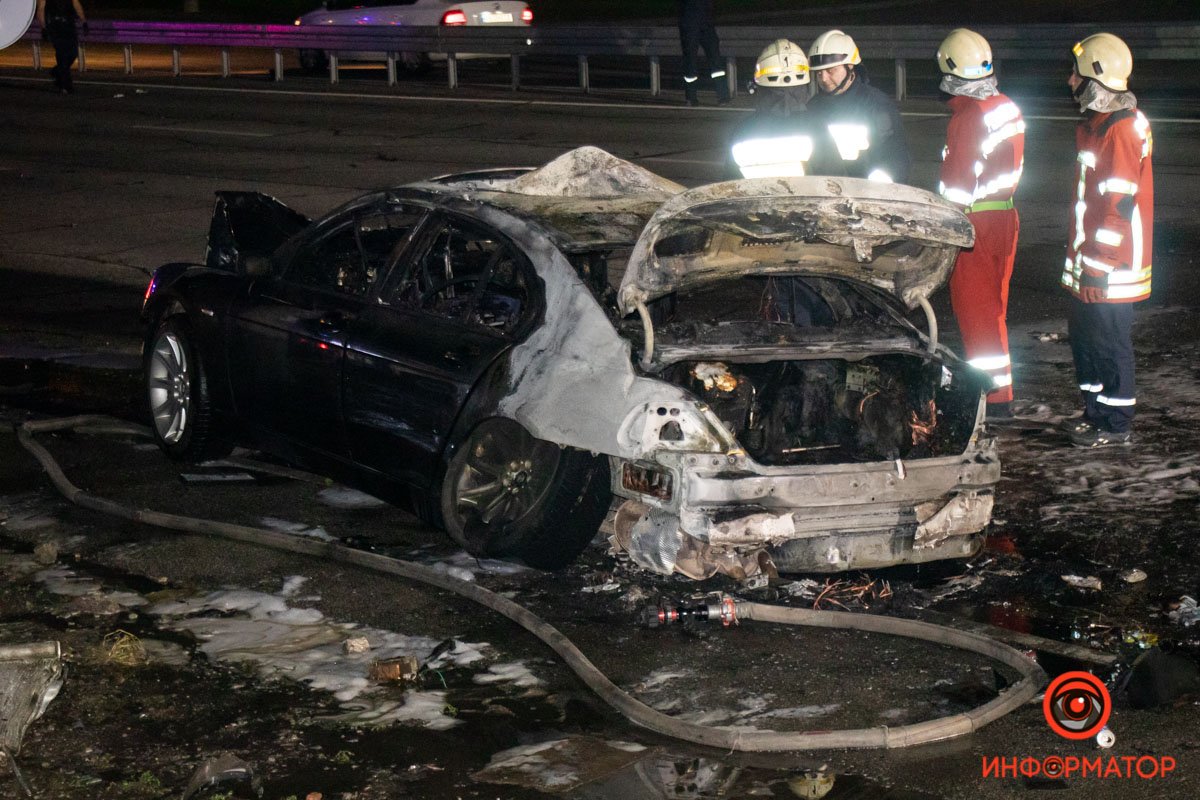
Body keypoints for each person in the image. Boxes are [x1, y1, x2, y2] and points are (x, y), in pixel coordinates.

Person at [1060, 33, 1153, 447]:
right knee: (1088, 342)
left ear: (1095, 79)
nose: (1069, 82)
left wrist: (1097, 263)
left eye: (1076, 76)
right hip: (1093, 261)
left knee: (1110, 343)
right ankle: (1095, 413)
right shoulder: (1098, 126)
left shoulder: (1120, 131)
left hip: (1111, 266)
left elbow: (1118, 208)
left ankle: (1115, 426)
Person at [935, 29, 1025, 417]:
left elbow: (957, 185)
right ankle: (998, 394)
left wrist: (939, 225)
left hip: (973, 224)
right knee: (994, 311)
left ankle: (992, 400)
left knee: (976, 315)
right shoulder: (1005, 104)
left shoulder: (969, 117)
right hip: (1005, 216)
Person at [806, 29, 909, 184]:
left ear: (849, 66)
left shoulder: (877, 105)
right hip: (823, 196)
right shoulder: (813, 107)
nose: (824, 79)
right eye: (819, 73)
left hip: (865, 197)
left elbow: (896, 157)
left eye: (831, 70)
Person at [727, 39, 820, 179]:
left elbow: (728, 187)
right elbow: (836, 182)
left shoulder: (743, 131)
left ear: (759, 84)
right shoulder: (817, 127)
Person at [678, 0, 730, 107]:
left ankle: (723, 96)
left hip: (704, 22)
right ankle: (691, 98)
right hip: (691, 21)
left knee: (715, 60)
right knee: (691, 62)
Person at [36, 0, 87, 94]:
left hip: (69, 24)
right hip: (55, 26)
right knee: (62, 55)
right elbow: (41, 9)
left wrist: (83, 21)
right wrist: (43, 28)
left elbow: (76, 4)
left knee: (73, 53)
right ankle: (66, 85)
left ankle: (57, 71)